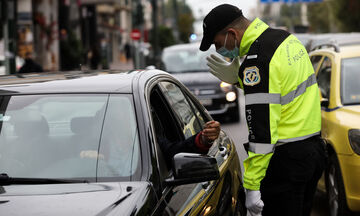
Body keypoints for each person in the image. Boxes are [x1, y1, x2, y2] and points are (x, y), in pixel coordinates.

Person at [199, 4, 326, 216]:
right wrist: (241, 80)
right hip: (312, 153)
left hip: (285, 163)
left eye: (217, 43)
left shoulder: (257, 61)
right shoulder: (286, 40)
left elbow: (262, 131)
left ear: (232, 33)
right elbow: (281, 90)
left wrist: (252, 185)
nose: (217, 49)